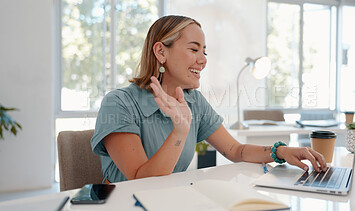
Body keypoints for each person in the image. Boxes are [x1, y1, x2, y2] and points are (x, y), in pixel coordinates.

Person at [91, 15, 327, 183]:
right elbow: (139, 180)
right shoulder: (119, 103)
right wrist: (179, 131)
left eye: (204, 51)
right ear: (161, 52)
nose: (203, 60)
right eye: (194, 50)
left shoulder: (194, 100)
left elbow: (235, 150)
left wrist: (281, 151)